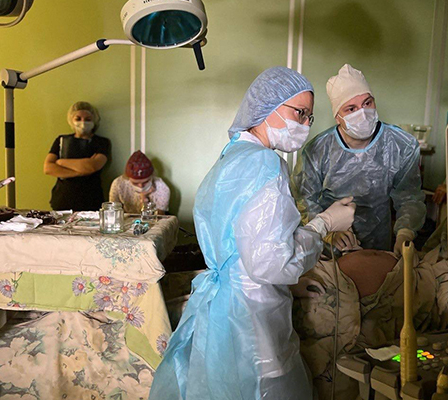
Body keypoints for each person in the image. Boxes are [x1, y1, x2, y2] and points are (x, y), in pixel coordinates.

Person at [149, 66, 356, 400]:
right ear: (268, 105)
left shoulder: (231, 158)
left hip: (223, 310)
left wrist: (291, 278)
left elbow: (243, 248)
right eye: (299, 113)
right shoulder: (264, 164)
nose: (305, 125)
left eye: (310, 117)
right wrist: (324, 224)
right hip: (251, 318)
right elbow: (271, 263)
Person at [291, 64, 426, 255]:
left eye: (367, 103)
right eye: (351, 109)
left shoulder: (401, 145)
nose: (362, 113)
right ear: (338, 117)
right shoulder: (318, 150)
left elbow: (409, 198)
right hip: (330, 250)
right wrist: (328, 232)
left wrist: (405, 233)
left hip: (379, 243)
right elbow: (303, 201)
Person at [43, 101, 110, 211]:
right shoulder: (61, 140)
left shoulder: (101, 142)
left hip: (91, 200)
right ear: (71, 120)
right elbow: (48, 168)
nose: (83, 122)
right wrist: (81, 171)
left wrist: (61, 162)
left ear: (94, 120)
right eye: (78, 119)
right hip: (62, 200)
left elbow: (92, 166)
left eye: (88, 119)